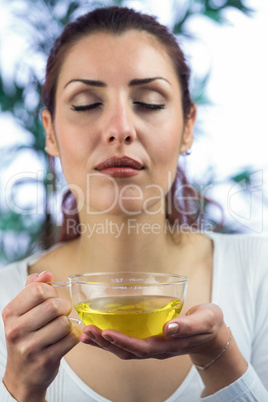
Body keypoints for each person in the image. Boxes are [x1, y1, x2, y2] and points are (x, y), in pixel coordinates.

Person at [0, 6, 267, 402]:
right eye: (87, 104)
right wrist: (21, 388)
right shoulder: (9, 306)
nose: (120, 129)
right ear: (50, 132)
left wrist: (218, 356)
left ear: (188, 127)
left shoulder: (259, 272)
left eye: (150, 102)